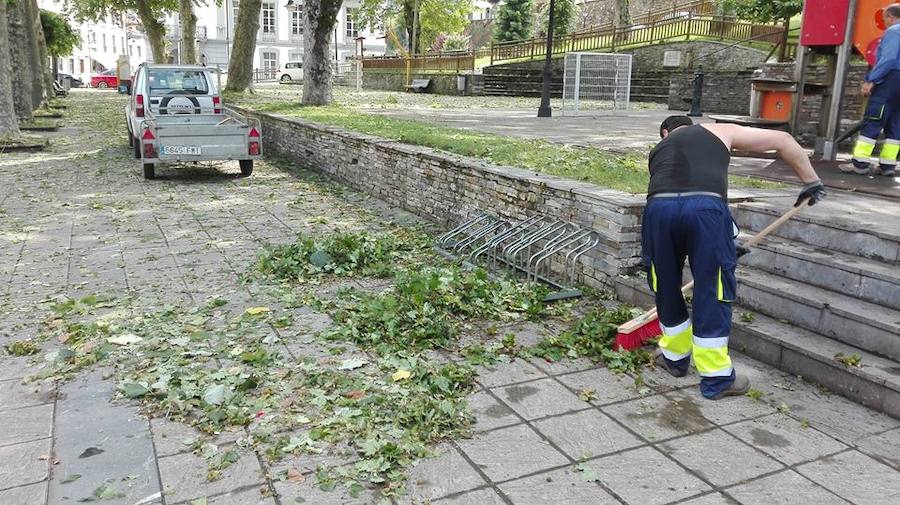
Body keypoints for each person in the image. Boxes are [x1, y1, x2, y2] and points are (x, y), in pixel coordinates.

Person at [644, 116, 827, 400]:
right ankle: (716, 378)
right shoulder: (719, 130)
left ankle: (674, 358)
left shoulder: (659, 150)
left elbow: (678, 199)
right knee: (713, 288)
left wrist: (725, 244)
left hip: (657, 210)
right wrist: (811, 180)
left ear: (665, 132)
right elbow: (783, 141)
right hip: (706, 210)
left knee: (665, 284)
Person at [851, 3, 900, 177]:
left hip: (891, 80)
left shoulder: (894, 32)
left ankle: (860, 163)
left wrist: (871, 80)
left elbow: (888, 59)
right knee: (896, 122)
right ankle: (888, 165)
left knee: (875, 116)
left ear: (890, 17)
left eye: (885, 18)